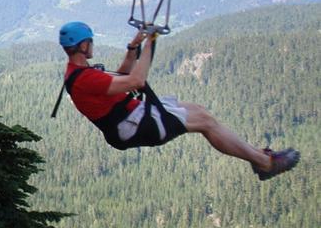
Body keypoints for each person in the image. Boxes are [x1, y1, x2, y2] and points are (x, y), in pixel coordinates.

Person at [57, 21, 299, 181]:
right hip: (134, 126)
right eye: (90, 41)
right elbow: (137, 80)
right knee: (204, 121)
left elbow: (121, 75)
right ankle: (264, 163)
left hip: (132, 117)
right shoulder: (85, 79)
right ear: (84, 45)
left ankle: (256, 156)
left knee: (198, 110)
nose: (92, 46)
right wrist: (151, 41)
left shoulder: (80, 73)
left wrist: (134, 46)